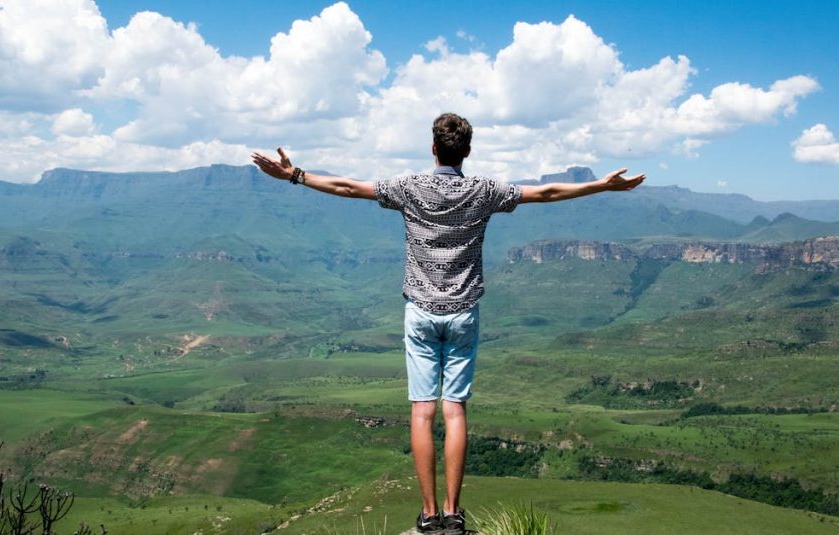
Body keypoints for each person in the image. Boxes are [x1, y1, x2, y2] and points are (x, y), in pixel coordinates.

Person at [251, 113, 645, 534]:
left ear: (433, 148)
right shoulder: (483, 191)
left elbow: (348, 187)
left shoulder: (409, 187)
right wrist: (602, 185)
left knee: (422, 412)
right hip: (463, 313)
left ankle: (428, 515)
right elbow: (546, 192)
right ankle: (454, 516)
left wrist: (295, 175)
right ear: (467, 152)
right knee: (454, 410)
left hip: (420, 312)